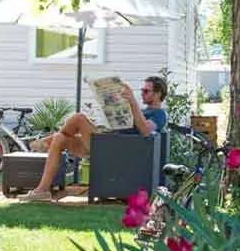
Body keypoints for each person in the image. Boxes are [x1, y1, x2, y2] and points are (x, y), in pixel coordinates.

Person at [21, 74, 169, 200]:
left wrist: (132, 102)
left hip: (117, 150)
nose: (142, 93)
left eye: (146, 91)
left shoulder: (159, 114)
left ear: (157, 94)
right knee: (60, 138)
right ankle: (42, 190)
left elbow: (145, 131)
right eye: (142, 91)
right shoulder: (142, 111)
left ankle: (46, 141)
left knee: (78, 118)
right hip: (108, 142)